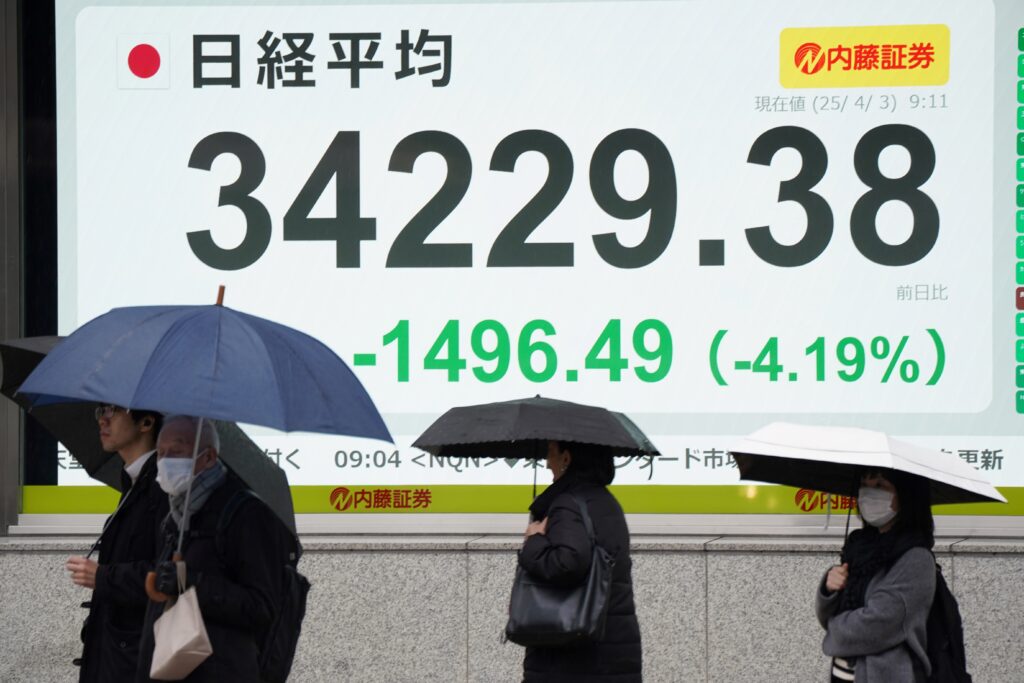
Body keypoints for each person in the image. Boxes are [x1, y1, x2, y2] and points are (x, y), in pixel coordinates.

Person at [135, 414, 287, 682]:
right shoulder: (175, 517)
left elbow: (261, 607)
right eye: (160, 453)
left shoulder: (244, 514)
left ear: (208, 457)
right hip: (170, 670)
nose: (165, 461)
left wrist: (192, 583)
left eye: (177, 452)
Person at [518, 440, 642, 682]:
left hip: (573, 654)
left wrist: (534, 541)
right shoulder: (606, 502)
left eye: (550, 453)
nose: (546, 464)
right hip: (611, 646)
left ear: (566, 458)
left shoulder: (569, 504)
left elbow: (567, 563)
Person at [66, 404, 166, 682]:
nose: (102, 420)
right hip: (114, 652)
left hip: (138, 657)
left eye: (113, 411)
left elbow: (172, 574)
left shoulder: (164, 488)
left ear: (146, 423)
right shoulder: (133, 483)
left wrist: (103, 576)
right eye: (101, 411)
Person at [815, 469, 936, 682]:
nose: (868, 493)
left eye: (880, 485)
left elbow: (878, 626)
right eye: (864, 485)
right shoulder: (859, 548)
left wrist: (835, 629)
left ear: (905, 494)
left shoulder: (915, 558)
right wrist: (829, 589)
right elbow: (829, 616)